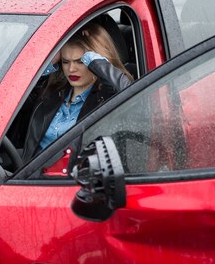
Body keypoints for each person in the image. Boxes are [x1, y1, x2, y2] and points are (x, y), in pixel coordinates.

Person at [20, 22, 133, 162]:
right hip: (29, 178)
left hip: (77, 180)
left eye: (80, 61)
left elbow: (126, 93)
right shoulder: (52, 92)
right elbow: (15, 90)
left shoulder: (105, 97)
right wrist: (50, 60)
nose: (71, 69)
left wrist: (91, 56)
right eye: (66, 62)